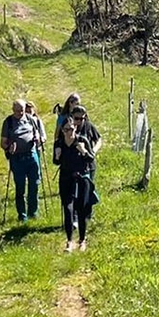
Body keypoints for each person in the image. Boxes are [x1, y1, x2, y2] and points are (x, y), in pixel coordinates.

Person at [54, 103, 102, 252]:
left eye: (71, 129)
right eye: (66, 129)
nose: (69, 132)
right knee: (68, 209)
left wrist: (84, 151)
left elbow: (90, 159)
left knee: (81, 210)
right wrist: (57, 156)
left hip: (82, 178)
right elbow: (56, 162)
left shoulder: (82, 140)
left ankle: (82, 240)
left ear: (75, 128)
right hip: (66, 178)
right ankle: (69, 241)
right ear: (62, 130)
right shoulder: (59, 143)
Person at [1, 99, 42, 221]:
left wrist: (37, 139)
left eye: (22, 110)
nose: (19, 113)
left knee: (34, 185)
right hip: (17, 158)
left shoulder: (31, 119)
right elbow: (2, 143)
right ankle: (22, 215)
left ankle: (33, 212)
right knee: (20, 187)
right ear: (12, 110)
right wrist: (8, 148)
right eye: (17, 111)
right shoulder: (8, 122)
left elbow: (38, 135)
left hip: (31, 155)